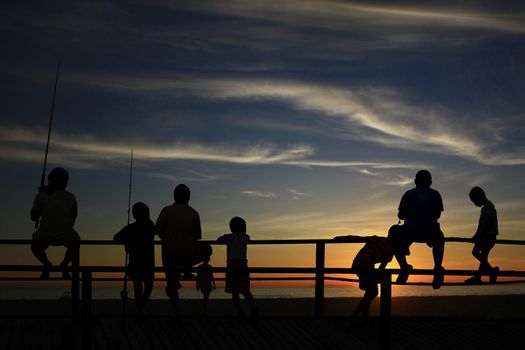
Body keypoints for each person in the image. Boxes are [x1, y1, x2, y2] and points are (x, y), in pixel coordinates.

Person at [156, 184, 211, 317]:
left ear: (174, 196)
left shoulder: (166, 210)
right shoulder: (193, 213)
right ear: (189, 197)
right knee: (208, 249)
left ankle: (177, 313)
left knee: (171, 285)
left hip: (169, 255)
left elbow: (158, 231)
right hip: (188, 256)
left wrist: (168, 237)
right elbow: (198, 236)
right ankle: (186, 269)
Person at [393, 170, 446, 289]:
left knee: (394, 233)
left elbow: (400, 215)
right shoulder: (435, 194)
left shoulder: (408, 194)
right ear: (430, 182)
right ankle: (437, 268)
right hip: (431, 231)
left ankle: (404, 267)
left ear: (415, 181)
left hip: (410, 231)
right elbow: (438, 215)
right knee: (440, 239)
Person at [30, 167, 80, 279]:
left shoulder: (41, 196)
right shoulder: (71, 197)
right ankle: (65, 265)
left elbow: (33, 217)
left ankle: (46, 264)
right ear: (65, 181)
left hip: (44, 235)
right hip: (66, 234)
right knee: (76, 243)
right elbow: (73, 218)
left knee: (35, 246)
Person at [333, 234, 394, 318]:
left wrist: (340, 238)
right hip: (366, 266)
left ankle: (364, 315)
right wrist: (378, 278)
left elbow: (356, 238)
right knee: (373, 292)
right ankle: (355, 314)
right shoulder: (391, 250)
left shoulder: (376, 238)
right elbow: (381, 268)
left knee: (370, 291)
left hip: (357, 264)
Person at [113, 202, 156, 315]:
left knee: (138, 287)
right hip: (148, 263)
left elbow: (116, 238)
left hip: (134, 263)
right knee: (148, 287)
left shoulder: (130, 228)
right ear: (146, 213)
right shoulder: (150, 226)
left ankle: (139, 310)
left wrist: (127, 242)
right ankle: (139, 309)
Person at [217, 217, 258, 320]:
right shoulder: (245, 237)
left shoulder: (228, 237)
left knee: (234, 291)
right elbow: (249, 239)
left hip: (231, 265)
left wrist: (224, 237)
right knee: (246, 290)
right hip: (243, 265)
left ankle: (240, 312)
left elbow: (219, 240)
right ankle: (253, 307)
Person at [465, 186, 499, 284]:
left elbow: (488, 221)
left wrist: (480, 235)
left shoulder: (488, 206)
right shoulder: (487, 206)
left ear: (480, 197)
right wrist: (477, 235)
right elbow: (482, 224)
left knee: (477, 253)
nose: (475, 204)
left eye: (475, 201)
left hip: (488, 237)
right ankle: (482, 275)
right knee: (482, 255)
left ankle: (491, 271)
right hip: (485, 236)